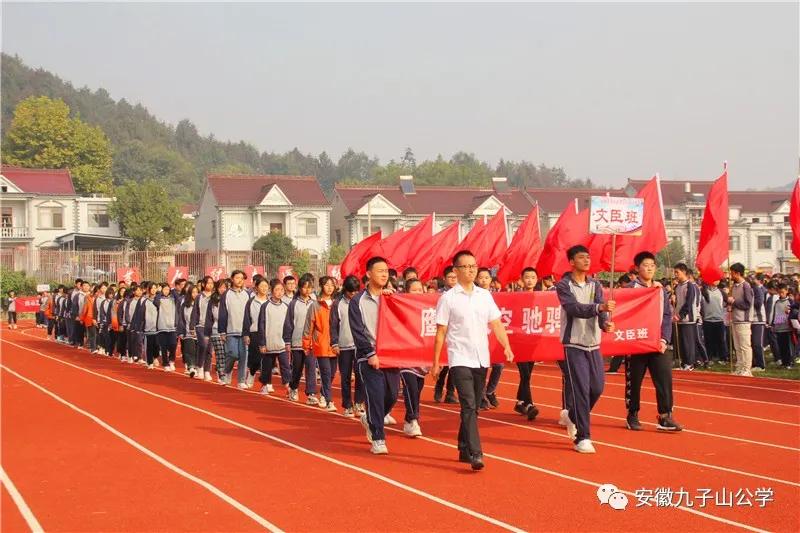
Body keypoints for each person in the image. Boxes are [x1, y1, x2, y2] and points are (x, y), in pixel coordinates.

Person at [433, 250, 515, 470]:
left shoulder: (484, 295)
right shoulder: (448, 298)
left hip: (481, 357)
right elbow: (441, 332)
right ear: (456, 270)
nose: (471, 270)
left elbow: (496, 324)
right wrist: (436, 362)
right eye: (466, 267)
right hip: (459, 357)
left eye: (473, 266)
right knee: (468, 404)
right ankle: (476, 453)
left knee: (474, 406)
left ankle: (462, 446)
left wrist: (506, 346)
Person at [556, 245, 615, 454]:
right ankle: (583, 437)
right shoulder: (564, 285)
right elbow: (573, 309)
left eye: (588, 257)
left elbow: (601, 313)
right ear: (572, 262)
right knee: (581, 388)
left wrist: (605, 323)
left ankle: (573, 415)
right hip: (573, 344)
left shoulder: (595, 285)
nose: (586, 261)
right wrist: (599, 308)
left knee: (597, 388)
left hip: (594, 344)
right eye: (582, 258)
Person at [624, 252, 683, 432]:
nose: (649, 268)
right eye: (645, 265)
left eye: (652, 265)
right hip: (636, 342)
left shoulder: (659, 289)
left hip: (657, 342)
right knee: (634, 380)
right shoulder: (629, 289)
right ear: (636, 268)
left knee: (664, 378)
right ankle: (632, 414)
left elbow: (666, 315)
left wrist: (665, 338)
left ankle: (665, 416)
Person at [350, 256, 401, 455]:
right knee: (376, 397)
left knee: (392, 394)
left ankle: (370, 419)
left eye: (386, 271)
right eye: (379, 271)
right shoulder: (358, 301)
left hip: (390, 355)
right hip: (368, 357)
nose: (384, 274)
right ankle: (378, 437)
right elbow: (357, 330)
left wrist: (393, 298)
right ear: (368, 274)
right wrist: (370, 353)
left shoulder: (391, 298)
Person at [331, 275, 365, 418]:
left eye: (355, 291)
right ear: (345, 289)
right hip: (344, 346)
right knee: (345, 377)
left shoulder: (362, 302)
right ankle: (347, 405)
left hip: (360, 346)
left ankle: (359, 402)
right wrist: (334, 343)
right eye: (350, 291)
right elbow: (333, 325)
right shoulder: (337, 304)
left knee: (361, 376)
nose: (353, 294)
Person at [303, 276, 338, 411]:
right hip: (321, 344)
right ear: (322, 286)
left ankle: (324, 394)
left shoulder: (336, 304)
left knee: (332, 373)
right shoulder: (315, 305)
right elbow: (308, 326)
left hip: (335, 345)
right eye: (327, 285)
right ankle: (329, 401)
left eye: (332, 285)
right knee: (325, 372)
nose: (329, 287)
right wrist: (306, 344)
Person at [400, 278, 427, 436]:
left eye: (420, 289)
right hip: (405, 357)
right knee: (410, 388)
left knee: (417, 390)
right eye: (414, 289)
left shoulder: (428, 308)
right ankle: (414, 419)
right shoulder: (401, 306)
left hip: (421, 359)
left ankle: (408, 419)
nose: (418, 292)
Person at [284, 274, 317, 403]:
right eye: (304, 287)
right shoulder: (293, 304)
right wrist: (287, 340)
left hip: (311, 342)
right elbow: (289, 323)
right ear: (300, 288)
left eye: (310, 288)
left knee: (311, 367)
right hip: (297, 341)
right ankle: (293, 387)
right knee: (297, 368)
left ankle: (311, 393)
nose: (307, 290)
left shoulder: (315, 303)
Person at [513, 267, 540, 421]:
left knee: (527, 374)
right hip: (519, 342)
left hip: (533, 342)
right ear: (522, 280)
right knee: (524, 373)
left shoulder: (541, 297)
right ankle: (529, 405)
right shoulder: (516, 297)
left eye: (532, 277)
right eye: (527, 277)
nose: (530, 280)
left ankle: (520, 401)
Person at [256, 279, 290, 394]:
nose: (280, 292)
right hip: (269, 342)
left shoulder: (286, 307)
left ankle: (288, 386)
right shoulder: (265, 306)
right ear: (271, 291)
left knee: (285, 365)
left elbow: (288, 325)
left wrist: (287, 341)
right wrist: (262, 343)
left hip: (281, 342)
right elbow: (261, 325)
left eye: (281, 290)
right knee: (267, 366)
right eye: (277, 290)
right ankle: (265, 384)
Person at [218, 270, 251, 388]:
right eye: (237, 278)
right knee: (232, 354)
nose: (240, 280)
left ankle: (241, 380)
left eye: (242, 278)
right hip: (230, 330)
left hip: (245, 331)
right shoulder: (226, 295)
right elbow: (222, 314)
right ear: (232, 279)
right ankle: (226, 372)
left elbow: (249, 313)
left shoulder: (247, 294)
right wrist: (222, 331)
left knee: (244, 356)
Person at [475, 268, 502, 409]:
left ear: (491, 280)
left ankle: (490, 391)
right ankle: (481, 397)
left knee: (499, 365)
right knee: (482, 368)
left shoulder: (498, 295)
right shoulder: (474, 295)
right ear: (477, 279)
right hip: (480, 336)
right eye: (481, 277)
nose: (484, 280)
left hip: (494, 335)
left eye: (487, 277)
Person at [433, 266, 458, 404]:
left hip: (455, 333)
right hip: (442, 331)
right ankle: (439, 386)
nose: (453, 280)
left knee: (454, 364)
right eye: (450, 277)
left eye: (455, 277)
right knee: (444, 364)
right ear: (444, 279)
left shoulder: (461, 294)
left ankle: (450, 392)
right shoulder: (440, 294)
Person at [243, 278, 270, 388]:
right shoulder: (251, 302)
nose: (264, 288)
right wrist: (246, 334)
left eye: (266, 286)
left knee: (267, 359)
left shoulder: (271, 301)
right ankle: (252, 372)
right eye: (261, 286)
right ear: (256, 288)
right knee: (256, 358)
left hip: (269, 333)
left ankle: (266, 382)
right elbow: (247, 319)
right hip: (255, 332)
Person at [729, 263, 754, 377]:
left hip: (744, 320)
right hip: (735, 319)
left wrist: (734, 302)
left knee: (745, 346)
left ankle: (747, 368)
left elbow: (747, 304)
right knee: (737, 346)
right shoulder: (733, 286)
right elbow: (732, 301)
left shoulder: (746, 286)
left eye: (732, 273)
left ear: (738, 273)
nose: (731, 275)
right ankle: (739, 366)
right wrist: (730, 305)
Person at [673, 263, 700, 371]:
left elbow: (688, 303)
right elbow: (678, 302)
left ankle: (690, 363)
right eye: (675, 272)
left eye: (677, 272)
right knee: (682, 342)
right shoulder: (677, 286)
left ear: (684, 272)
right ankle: (684, 363)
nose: (675, 274)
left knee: (688, 342)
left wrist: (681, 315)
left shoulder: (691, 286)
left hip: (688, 318)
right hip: (679, 318)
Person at [191, 276, 216, 381]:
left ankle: (206, 371)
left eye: (212, 283)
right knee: (203, 346)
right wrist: (192, 326)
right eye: (208, 283)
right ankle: (200, 367)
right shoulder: (199, 297)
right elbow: (195, 312)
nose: (210, 285)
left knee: (209, 349)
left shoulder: (215, 296)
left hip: (212, 326)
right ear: (203, 284)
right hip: (201, 326)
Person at [155, 283, 180, 372]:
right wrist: (159, 292)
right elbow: (155, 302)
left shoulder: (173, 299)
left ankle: (172, 361)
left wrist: (173, 290)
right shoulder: (159, 298)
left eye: (168, 289)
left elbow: (179, 299)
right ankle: (165, 363)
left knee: (173, 344)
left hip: (172, 326)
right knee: (164, 346)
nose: (166, 291)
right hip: (162, 326)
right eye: (164, 289)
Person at [177, 283, 200, 378]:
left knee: (198, 351)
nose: (195, 294)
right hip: (188, 332)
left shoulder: (200, 304)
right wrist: (181, 332)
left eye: (196, 292)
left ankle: (197, 367)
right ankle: (191, 367)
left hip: (199, 332)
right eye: (193, 292)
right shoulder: (185, 306)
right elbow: (181, 319)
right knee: (189, 350)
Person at [701, 281, 727, 364]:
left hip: (719, 319)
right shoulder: (703, 291)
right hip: (707, 320)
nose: (717, 281)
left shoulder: (721, 292)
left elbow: (727, 302)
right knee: (709, 340)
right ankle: (709, 357)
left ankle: (723, 357)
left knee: (721, 340)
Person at [770, 283, 794, 369]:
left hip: (787, 327)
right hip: (779, 327)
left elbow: (794, 312)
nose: (781, 294)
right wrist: (773, 324)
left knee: (788, 346)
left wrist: (790, 312)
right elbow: (775, 314)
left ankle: (789, 362)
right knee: (781, 346)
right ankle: (784, 362)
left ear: (786, 291)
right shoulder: (777, 302)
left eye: (783, 292)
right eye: (779, 292)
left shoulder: (790, 301)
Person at [750, 275, 767, 372]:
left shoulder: (758, 290)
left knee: (757, 343)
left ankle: (761, 365)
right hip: (751, 320)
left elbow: (759, 303)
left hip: (759, 320)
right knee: (752, 343)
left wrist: (748, 302)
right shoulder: (753, 290)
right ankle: (754, 363)